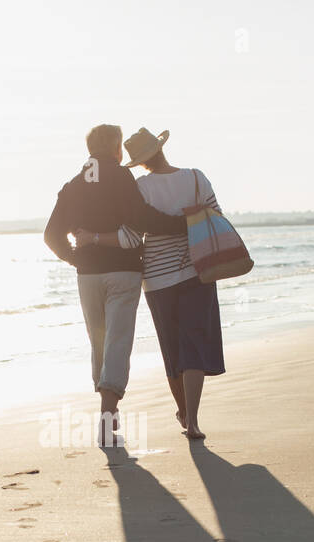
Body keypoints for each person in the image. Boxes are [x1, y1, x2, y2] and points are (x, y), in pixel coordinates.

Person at [75, 128, 225, 440]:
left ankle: (183, 413)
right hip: (198, 271)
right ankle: (194, 419)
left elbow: (130, 237)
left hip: (158, 279)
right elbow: (215, 217)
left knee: (172, 350)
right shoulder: (196, 178)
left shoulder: (140, 188)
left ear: (138, 162)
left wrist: (93, 238)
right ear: (161, 149)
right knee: (193, 344)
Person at [43, 124, 188, 446]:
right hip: (123, 272)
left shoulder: (73, 184)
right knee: (118, 342)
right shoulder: (122, 177)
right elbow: (144, 219)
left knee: (99, 343)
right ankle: (108, 417)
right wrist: (184, 223)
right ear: (114, 147)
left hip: (88, 276)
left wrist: (77, 260)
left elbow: (51, 235)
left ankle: (107, 411)